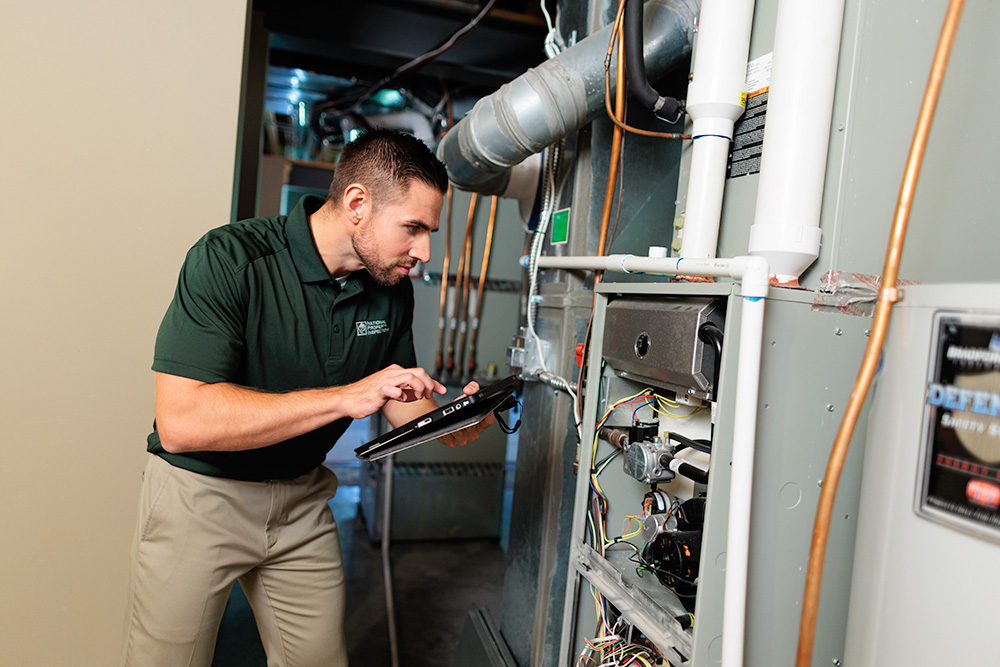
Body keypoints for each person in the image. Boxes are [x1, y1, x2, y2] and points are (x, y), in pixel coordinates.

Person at [121, 129, 492, 666]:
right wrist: (344, 398)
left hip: (300, 503)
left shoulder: (391, 287)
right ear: (358, 204)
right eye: (413, 228)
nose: (424, 252)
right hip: (200, 497)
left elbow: (396, 395)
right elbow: (182, 420)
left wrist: (449, 422)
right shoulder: (229, 259)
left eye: (430, 232)